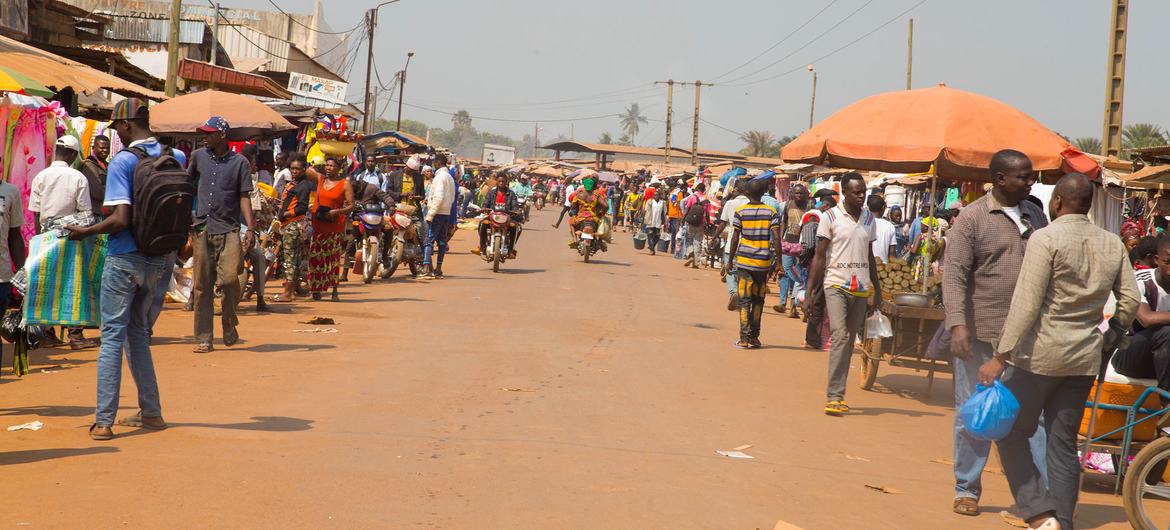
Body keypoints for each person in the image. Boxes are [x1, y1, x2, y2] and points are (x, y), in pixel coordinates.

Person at [981, 173, 1139, 530]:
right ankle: (1063, 522)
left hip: (1039, 357)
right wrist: (1110, 334)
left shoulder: (1045, 238)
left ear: (1056, 203)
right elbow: (1130, 299)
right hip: (1083, 358)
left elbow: (1026, 303)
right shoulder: (1112, 242)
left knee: (1009, 433)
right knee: (1063, 443)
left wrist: (999, 356)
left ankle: (1038, 512)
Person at [66, 98, 183, 440]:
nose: (115, 133)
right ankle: (152, 413)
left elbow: (120, 219)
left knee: (113, 338)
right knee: (138, 336)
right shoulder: (176, 157)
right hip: (159, 260)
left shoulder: (123, 162)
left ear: (128, 124)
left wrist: (85, 232)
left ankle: (104, 421)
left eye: (117, 127)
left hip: (125, 258)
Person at [943, 149, 1051, 518]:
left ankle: (1038, 496)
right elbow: (954, 275)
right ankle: (967, 489)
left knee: (1031, 419)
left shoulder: (1036, 215)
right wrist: (957, 324)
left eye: (1030, 176)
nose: (1030, 182)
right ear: (1000, 179)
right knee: (974, 414)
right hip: (982, 333)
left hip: (1027, 337)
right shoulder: (972, 219)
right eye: (1023, 177)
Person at [804, 173, 882, 416]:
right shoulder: (830, 217)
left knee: (849, 341)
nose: (862, 196)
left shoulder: (870, 219)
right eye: (857, 192)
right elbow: (819, 256)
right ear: (845, 193)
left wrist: (877, 290)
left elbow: (869, 256)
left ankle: (839, 393)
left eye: (864, 191)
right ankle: (834, 396)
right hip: (836, 284)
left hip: (860, 288)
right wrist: (809, 292)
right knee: (839, 336)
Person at [187, 117, 255, 354]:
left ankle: (229, 321)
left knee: (228, 280)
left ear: (222, 135)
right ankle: (204, 338)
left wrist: (251, 228)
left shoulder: (240, 163)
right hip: (202, 228)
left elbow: (244, 196)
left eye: (210, 133)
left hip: (229, 229)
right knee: (202, 286)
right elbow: (188, 185)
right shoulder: (198, 157)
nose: (205, 136)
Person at [29, 135, 98, 349]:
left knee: (48, 284)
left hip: (45, 237)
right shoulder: (77, 177)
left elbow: (35, 212)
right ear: (72, 155)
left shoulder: (40, 176)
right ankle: (75, 336)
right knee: (73, 284)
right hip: (72, 236)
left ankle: (48, 333)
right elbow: (85, 213)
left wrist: (40, 236)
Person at [1111, 236, 1170, 396]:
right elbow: (1146, 318)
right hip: (1130, 354)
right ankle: (1168, 404)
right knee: (1165, 333)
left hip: (1162, 360)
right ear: (1157, 260)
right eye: (1167, 262)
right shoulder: (1140, 280)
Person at [728, 177, 781, 349]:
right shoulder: (771, 212)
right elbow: (776, 239)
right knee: (758, 300)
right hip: (763, 264)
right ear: (764, 193)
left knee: (744, 300)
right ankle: (754, 337)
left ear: (747, 192)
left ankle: (744, 338)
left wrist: (730, 260)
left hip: (744, 262)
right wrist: (778, 262)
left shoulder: (741, 212)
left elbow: (735, 238)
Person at [308, 158, 354, 301]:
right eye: (327, 165)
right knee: (315, 258)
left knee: (332, 260)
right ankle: (315, 290)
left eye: (331, 165)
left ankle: (334, 291)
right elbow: (307, 169)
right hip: (318, 226)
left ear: (339, 168)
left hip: (334, 227)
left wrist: (337, 212)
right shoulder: (321, 179)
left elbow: (351, 205)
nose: (328, 168)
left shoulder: (345, 184)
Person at [273, 154, 312, 303]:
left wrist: (286, 214)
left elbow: (302, 207)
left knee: (289, 260)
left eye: (298, 169)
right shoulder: (293, 183)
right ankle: (292, 291)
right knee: (293, 259)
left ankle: (288, 293)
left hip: (293, 225)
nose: (294, 171)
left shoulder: (302, 186)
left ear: (304, 169)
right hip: (288, 224)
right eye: (292, 168)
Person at [802, 189, 837, 349]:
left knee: (819, 303)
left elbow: (815, 250)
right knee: (818, 303)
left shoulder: (827, 221)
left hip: (829, 268)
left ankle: (816, 339)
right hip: (826, 268)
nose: (821, 207)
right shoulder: (825, 221)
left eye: (824, 204)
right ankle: (815, 339)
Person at [238, 147, 270, 313]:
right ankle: (260, 299)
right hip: (234, 226)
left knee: (258, 257)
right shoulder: (246, 182)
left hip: (240, 227)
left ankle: (260, 298)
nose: (255, 166)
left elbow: (255, 211)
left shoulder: (251, 183)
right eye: (253, 163)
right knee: (259, 258)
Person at [775, 184, 810, 316]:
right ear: (792, 194)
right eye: (796, 193)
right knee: (784, 271)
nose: (799, 196)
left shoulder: (809, 206)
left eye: (801, 193)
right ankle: (782, 302)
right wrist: (781, 237)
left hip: (802, 244)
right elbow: (784, 222)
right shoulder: (788, 205)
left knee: (799, 273)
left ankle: (793, 305)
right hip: (788, 241)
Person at [718, 179, 751, 309]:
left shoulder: (730, 203)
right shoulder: (751, 203)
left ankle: (733, 292)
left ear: (737, 189)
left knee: (730, 270)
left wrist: (715, 236)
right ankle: (741, 296)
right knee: (743, 272)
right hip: (748, 244)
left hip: (732, 243)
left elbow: (722, 223)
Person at [422, 154, 456, 279]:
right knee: (442, 242)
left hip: (437, 213)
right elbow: (452, 197)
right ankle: (438, 268)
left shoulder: (439, 177)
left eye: (434, 163)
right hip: (446, 213)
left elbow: (438, 197)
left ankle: (426, 268)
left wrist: (431, 214)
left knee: (429, 240)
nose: (433, 165)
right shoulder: (449, 177)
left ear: (438, 163)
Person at [473, 176, 522, 258]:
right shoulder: (491, 193)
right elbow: (486, 203)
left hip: (507, 217)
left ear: (506, 182)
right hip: (493, 216)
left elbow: (515, 205)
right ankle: (482, 248)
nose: (501, 183)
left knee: (516, 227)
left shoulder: (511, 194)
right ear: (496, 182)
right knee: (482, 224)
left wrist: (515, 210)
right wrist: (484, 208)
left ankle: (510, 250)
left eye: (503, 181)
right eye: (499, 181)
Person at [567, 177, 608, 249]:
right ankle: (600, 241)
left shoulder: (579, 194)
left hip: (581, 218)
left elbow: (573, 207)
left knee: (571, 222)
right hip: (593, 218)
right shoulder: (596, 195)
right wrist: (601, 214)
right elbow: (606, 206)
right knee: (602, 225)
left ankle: (574, 240)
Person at [79, 135, 111, 217]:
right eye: (102, 148)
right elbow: (96, 192)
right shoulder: (89, 165)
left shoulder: (108, 165)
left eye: (107, 148)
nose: (105, 150)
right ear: (93, 148)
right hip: (96, 211)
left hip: (106, 209)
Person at [682, 183, 709, 269]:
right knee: (698, 241)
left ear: (697, 188)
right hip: (701, 223)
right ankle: (696, 262)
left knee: (689, 239)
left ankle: (691, 253)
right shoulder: (706, 199)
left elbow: (687, 209)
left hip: (691, 222)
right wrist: (707, 223)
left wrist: (684, 219)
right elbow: (707, 213)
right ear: (704, 190)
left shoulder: (692, 197)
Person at [868, 195, 897, 264]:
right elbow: (892, 252)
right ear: (883, 208)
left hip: (866, 266)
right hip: (883, 268)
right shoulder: (889, 226)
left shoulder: (864, 223)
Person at [643, 188, 667, 256]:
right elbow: (645, 211)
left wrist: (664, 222)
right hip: (650, 221)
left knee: (657, 236)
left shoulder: (663, 203)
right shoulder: (649, 202)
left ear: (659, 196)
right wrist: (643, 220)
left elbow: (664, 213)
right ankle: (652, 249)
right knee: (650, 235)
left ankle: (652, 246)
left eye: (657, 195)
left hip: (658, 222)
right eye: (654, 195)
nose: (656, 196)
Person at [667, 181, 685, 256]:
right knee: (676, 233)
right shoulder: (679, 193)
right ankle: (674, 249)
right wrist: (683, 213)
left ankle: (672, 248)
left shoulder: (672, 192)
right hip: (676, 215)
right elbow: (680, 204)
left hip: (671, 214)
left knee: (673, 233)